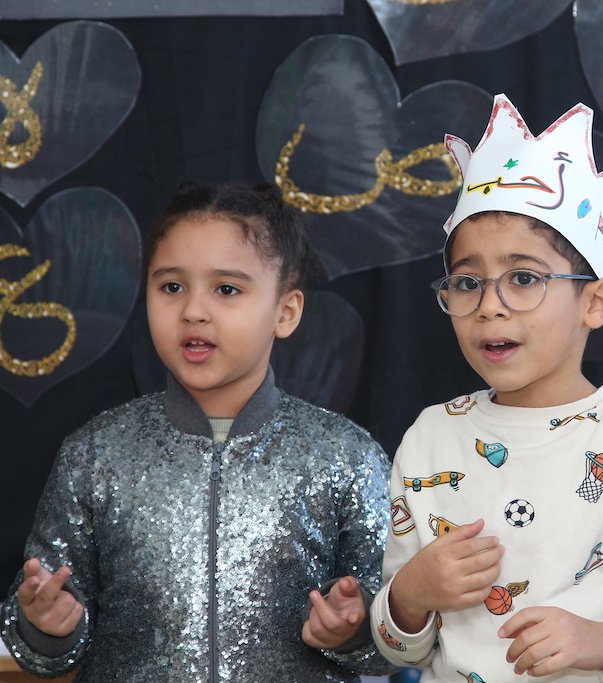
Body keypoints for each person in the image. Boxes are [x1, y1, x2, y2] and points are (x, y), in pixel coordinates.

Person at [368, 94, 603, 682]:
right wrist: (409, 596)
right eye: (468, 282)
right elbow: (398, 650)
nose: (490, 306)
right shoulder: (431, 438)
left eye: (523, 278)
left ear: (596, 301)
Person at [0, 182, 393, 682]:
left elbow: (400, 635)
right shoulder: (96, 454)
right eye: (172, 287)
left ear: (286, 311)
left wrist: (356, 629)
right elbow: (39, 633)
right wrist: (45, 627)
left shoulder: (345, 456)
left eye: (226, 289)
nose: (193, 311)